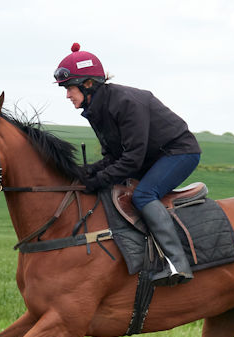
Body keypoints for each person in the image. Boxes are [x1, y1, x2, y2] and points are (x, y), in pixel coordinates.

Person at [54, 43, 201, 287]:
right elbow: (113, 156)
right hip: (151, 157)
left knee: (143, 195)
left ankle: (177, 263)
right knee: (112, 189)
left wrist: (97, 179)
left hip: (179, 153)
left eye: (69, 88)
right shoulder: (95, 109)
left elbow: (132, 158)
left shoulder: (126, 102)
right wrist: (86, 172)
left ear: (88, 84)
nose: (67, 95)